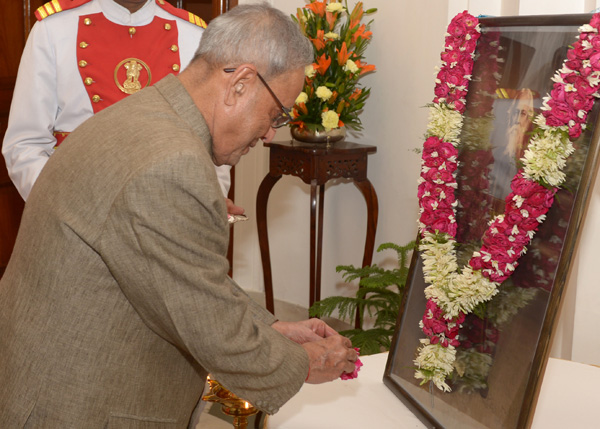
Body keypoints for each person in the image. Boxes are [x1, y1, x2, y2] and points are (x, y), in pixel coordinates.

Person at [0, 3, 358, 427]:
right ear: (240, 84)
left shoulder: (146, 114)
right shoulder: (172, 163)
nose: (269, 134)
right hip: (77, 405)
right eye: (275, 113)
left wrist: (272, 328)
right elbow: (207, 321)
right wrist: (300, 362)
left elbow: (182, 280)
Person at [2, 0, 232, 201]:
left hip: (167, 212)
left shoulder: (194, 35)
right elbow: (24, 144)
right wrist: (64, 206)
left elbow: (210, 145)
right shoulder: (53, 29)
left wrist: (207, 205)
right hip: (76, 211)